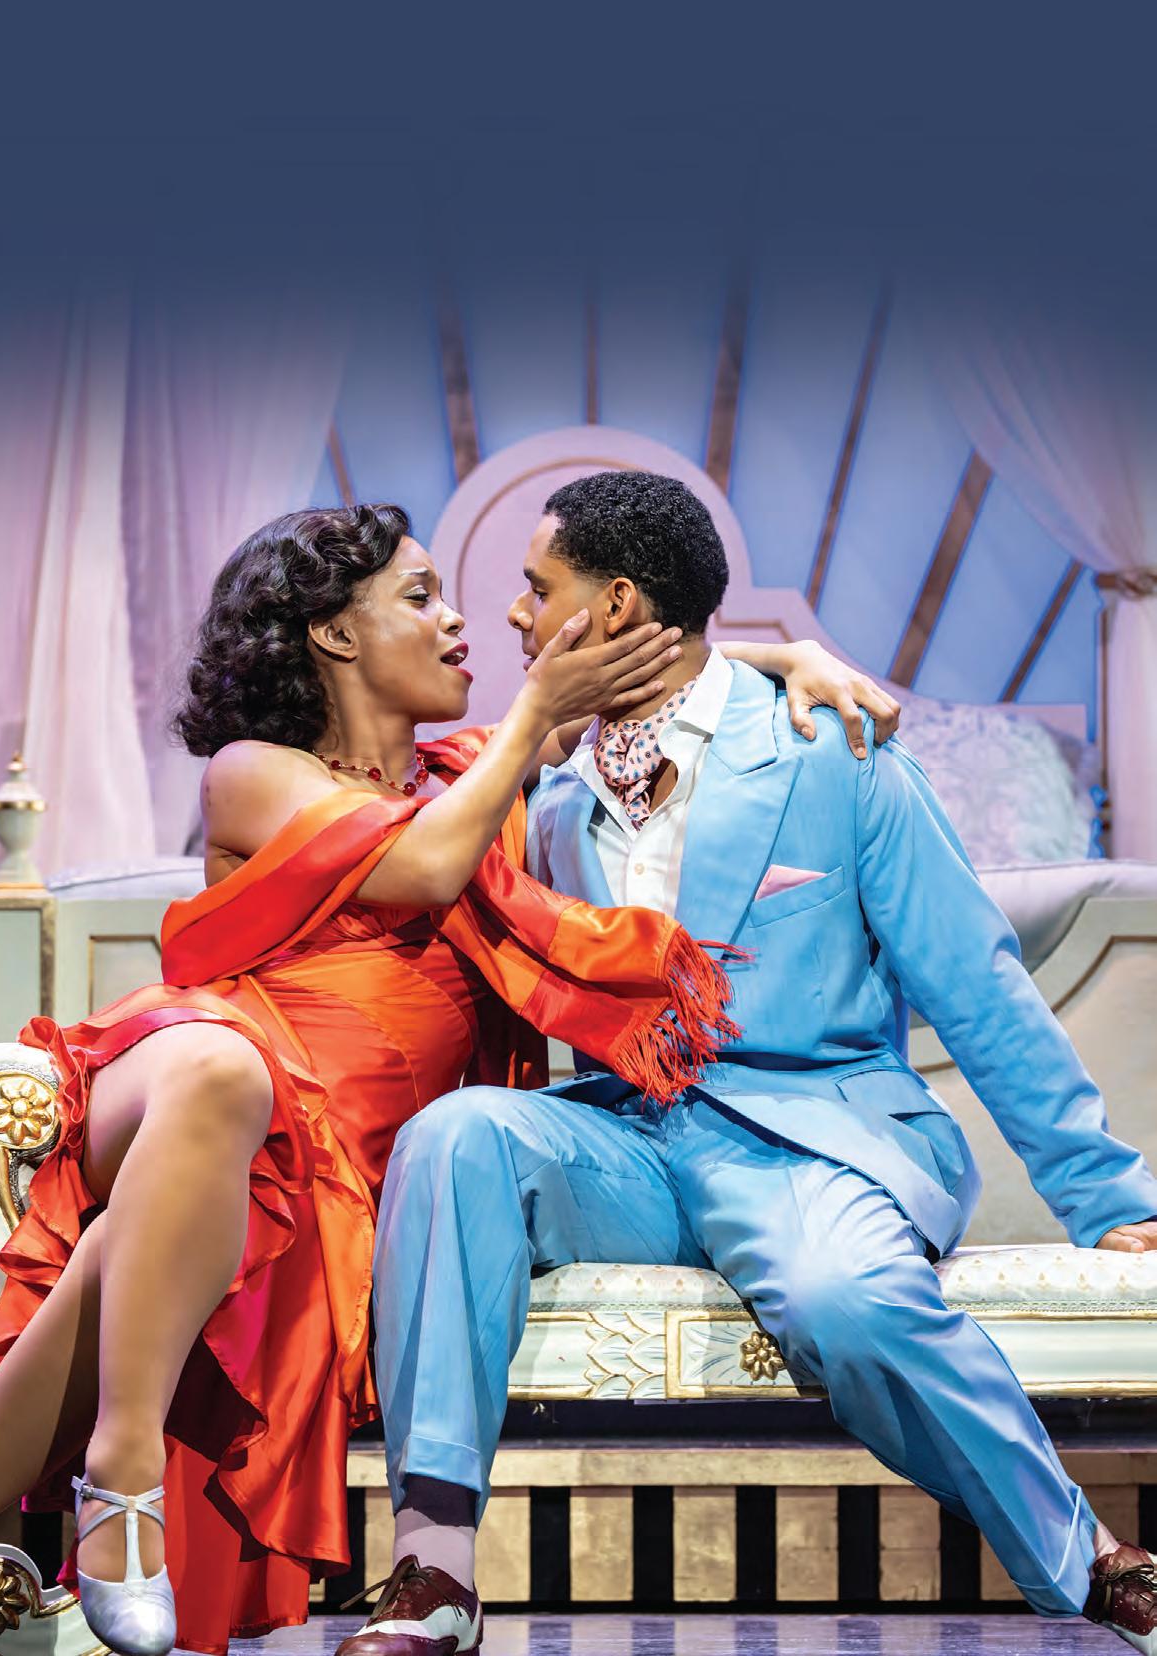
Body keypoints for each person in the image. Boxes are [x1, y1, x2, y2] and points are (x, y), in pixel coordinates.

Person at [0, 503, 888, 1656]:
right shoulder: (256, 773)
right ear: (333, 634)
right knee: (222, 1071)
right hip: (185, 1078)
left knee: (141, 1250)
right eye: (420, 596)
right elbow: (418, 864)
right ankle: (123, 1473)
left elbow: (656, 670)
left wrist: (784, 654)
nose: (461, 618)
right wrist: (535, 718)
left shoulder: (466, 779)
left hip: (309, 1174)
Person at [362, 470, 1157, 1656]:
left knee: (845, 1298)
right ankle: (433, 1570)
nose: (515, 615)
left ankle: (1084, 1559)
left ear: (615, 604)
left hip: (812, 1140)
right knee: (456, 1133)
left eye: (538, 588)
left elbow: (975, 983)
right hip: (631, 1144)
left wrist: (1106, 1198)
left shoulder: (832, 751)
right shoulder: (550, 792)